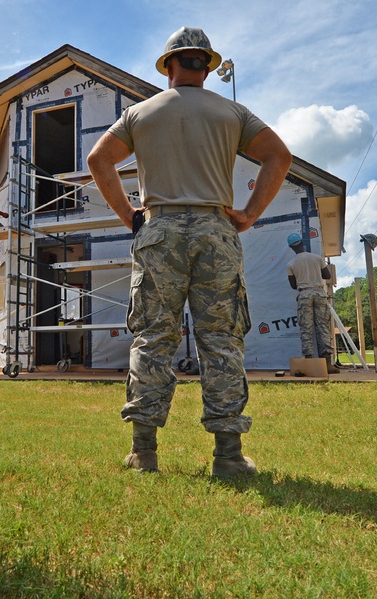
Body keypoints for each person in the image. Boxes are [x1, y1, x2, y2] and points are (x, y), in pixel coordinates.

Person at [86, 26, 293, 479]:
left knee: (152, 338)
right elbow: (279, 155)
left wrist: (131, 218)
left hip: (158, 230)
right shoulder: (233, 112)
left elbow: (98, 159)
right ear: (207, 64)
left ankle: (144, 453)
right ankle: (229, 457)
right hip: (216, 230)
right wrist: (250, 213)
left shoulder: (140, 114)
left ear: (169, 66)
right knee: (220, 340)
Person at [285, 232, 338, 373]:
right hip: (320, 293)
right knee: (323, 327)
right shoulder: (317, 258)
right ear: (302, 243)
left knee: (306, 329)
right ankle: (327, 364)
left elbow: (293, 285)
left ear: (291, 248)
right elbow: (327, 275)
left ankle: (309, 363)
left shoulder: (291, 264)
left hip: (304, 294)